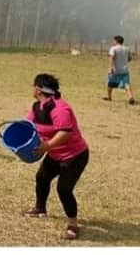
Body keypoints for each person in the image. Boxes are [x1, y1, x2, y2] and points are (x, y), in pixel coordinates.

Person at [25, 73, 89, 241]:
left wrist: (47, 146)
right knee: (42, 177)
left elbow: (65, 133)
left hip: (74, 156)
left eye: (33, 86)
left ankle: (73, 224)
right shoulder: (36, 107)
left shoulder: (60, 108)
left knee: (64, 189)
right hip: (55, 154)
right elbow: (28, 126)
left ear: (38, 89)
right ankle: (40, 208)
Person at [104, 35, 135, 104]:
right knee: (126, 84)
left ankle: (109, 97)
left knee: (110, 84)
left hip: (116, 70)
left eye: (114, 40)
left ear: (116, 41)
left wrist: (110, 68)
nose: (113, 42)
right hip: (125, 70)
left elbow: (111, 57)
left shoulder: (113, 48)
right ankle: (130, 97)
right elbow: (130, 58)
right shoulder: (127, 48)